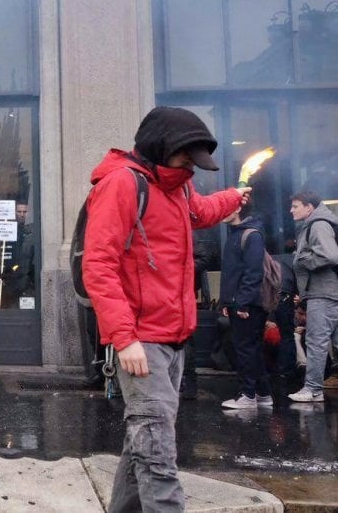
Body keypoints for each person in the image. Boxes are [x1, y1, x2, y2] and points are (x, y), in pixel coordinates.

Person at [83, 106, 245, 512]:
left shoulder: (178, 187)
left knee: (143, 443)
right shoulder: (122, 185)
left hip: (173, 339)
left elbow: (202, 212)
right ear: (160, 147)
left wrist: (233, 198)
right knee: (157, 456)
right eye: (185, 157)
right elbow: (98, 267)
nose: (190, 166)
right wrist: (124, 339)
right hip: (142, 342)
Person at [219, 207, 274, 410]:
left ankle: (247, 394)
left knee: (245, 349)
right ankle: (263, 393)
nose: (221, 210)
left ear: (238, 209)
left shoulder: (251, 235)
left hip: (247, 304)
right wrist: (226, 302)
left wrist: (242, 302)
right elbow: (233, 273)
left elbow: (253, 272)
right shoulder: (237, 234)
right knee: (252, 349)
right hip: (240, 302)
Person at [288, 190, 338, 403]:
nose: (291, 210)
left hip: (323, 293)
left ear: (309, 207)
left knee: (316, 341)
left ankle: (313, 389)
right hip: (328, 292)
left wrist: (302, 259)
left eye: (296, 206)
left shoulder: (317, 224)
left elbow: (330, 255)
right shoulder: (317, 224)